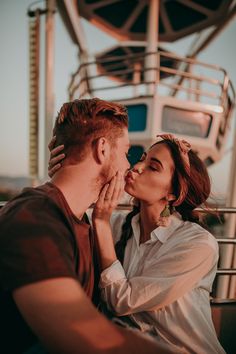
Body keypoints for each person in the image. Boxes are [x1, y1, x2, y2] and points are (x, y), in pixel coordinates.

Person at [0, 98, 173, 354]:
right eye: (126, 153)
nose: (129, 166)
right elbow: (82, 337)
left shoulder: (79, 221)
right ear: (102, 149)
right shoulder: (34, 215)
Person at [48, 133, 226, 353]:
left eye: (153, 167)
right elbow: (70, 220)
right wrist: (64, 175)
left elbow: (122, 301)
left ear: (173, 194)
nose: (138, 167)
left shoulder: (197, 244)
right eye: (142, 158)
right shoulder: (120, 225)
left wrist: (101, 222)